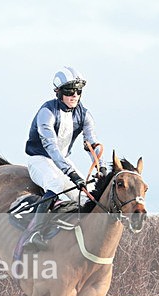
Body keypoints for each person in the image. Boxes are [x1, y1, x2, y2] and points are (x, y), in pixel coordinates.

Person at [23, 66, 100, 251]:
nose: (74, 95)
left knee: (88, 196)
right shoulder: (47, 112)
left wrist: (100, 166)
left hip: (63, 161)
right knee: (55, 184)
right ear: (58, 92)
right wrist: (71, 174)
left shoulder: (85, 115)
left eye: (78, 91)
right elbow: (52, 149)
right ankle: (35, 233)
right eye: (69, 91)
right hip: (40, 159)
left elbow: (91, 144)